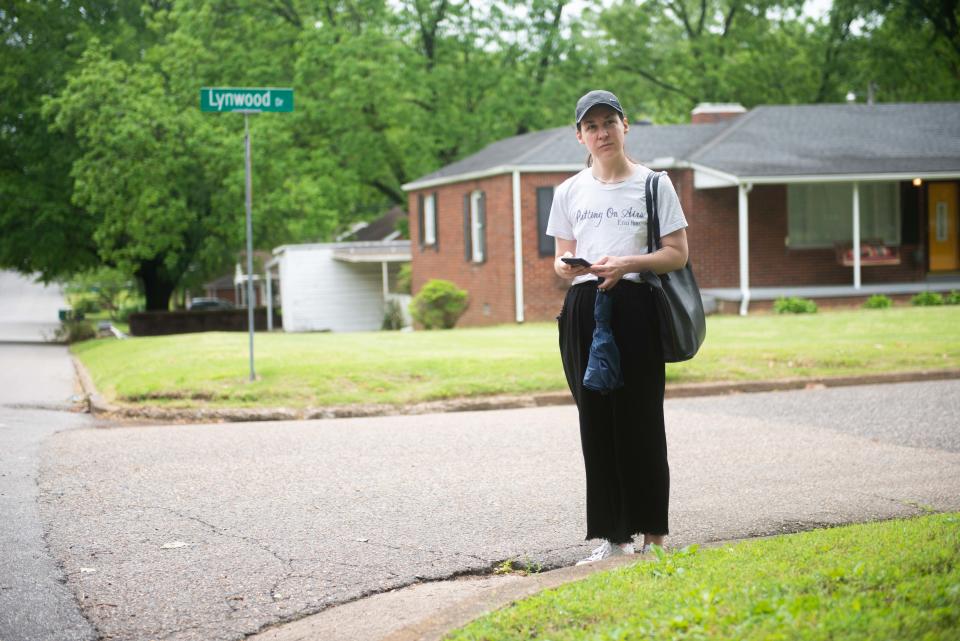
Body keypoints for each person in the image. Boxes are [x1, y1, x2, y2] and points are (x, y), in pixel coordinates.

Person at [546, 90, 689, 565]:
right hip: (586, 310)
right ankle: (613, 539)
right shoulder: (568, 191)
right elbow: (561, 257)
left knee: (642, 421)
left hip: (635, 306)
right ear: (579, 136)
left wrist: (626, 261)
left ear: (626, 126)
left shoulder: (653, 185)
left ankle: (654, 539)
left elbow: (677, 253)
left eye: (609, 122)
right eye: (591, 126)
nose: (601, 133)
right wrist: (569, 269)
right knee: (597, 426)